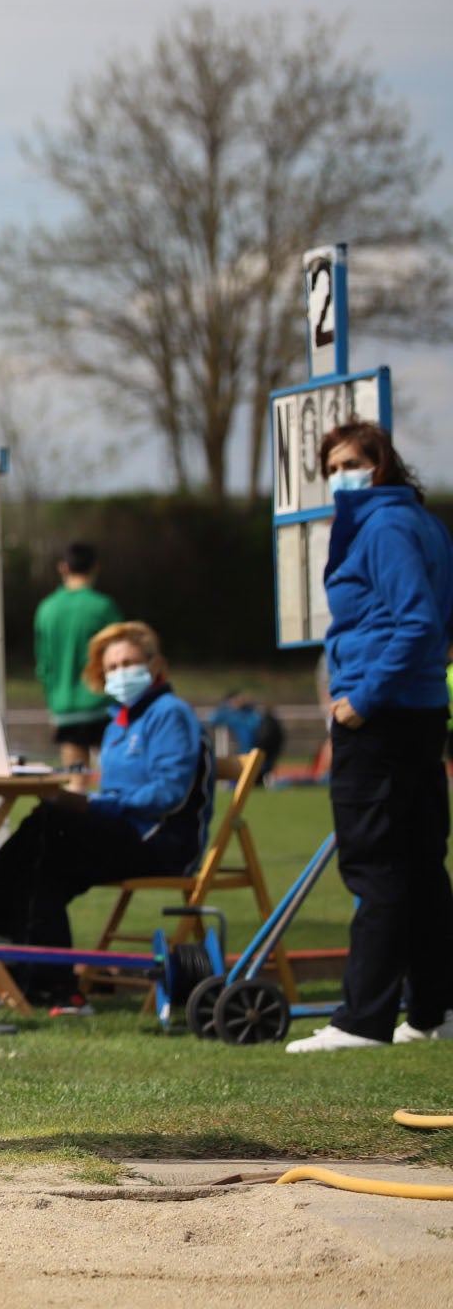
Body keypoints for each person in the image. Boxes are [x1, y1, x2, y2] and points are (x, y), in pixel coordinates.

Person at [286, 419, 453, 1052]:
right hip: (420, 710)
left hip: (381, 716)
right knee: (419, 864)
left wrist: (362, 699)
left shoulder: (382, 526)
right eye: (329, 467)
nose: (339, 476)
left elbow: (416, 621)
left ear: (381, 463)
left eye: (350, 462)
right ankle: (435, 1008)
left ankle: (363, 1020)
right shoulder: (425, 523)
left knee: (376, 865)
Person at [0, 620, 212, 1006]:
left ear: (155, 664)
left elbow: (169, 793)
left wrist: (95, 803)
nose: (120, 673)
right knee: (39, 868)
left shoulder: (170, 713)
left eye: (129, 662)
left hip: (160, 843)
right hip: (120, 834)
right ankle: (54, 989)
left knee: (44, 828)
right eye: (111, 667)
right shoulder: (118, 721)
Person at [34, 542, 124, 779]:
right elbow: (123, 653)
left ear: (63, 568)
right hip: (102, 703)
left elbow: (44, 665)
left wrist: (53, 702)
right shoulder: (103, 607)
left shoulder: (47, 609)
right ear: (95, 567)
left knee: (75, 785)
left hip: (65, 707)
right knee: (115, 781)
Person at [204, 688, 285, 782]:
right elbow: (212, 720)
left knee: (258, 768)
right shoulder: (225, 713)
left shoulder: (250, 712)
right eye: (237, 699)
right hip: (241, 749)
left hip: (256, 746)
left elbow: (256, 724)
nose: (240, 701)